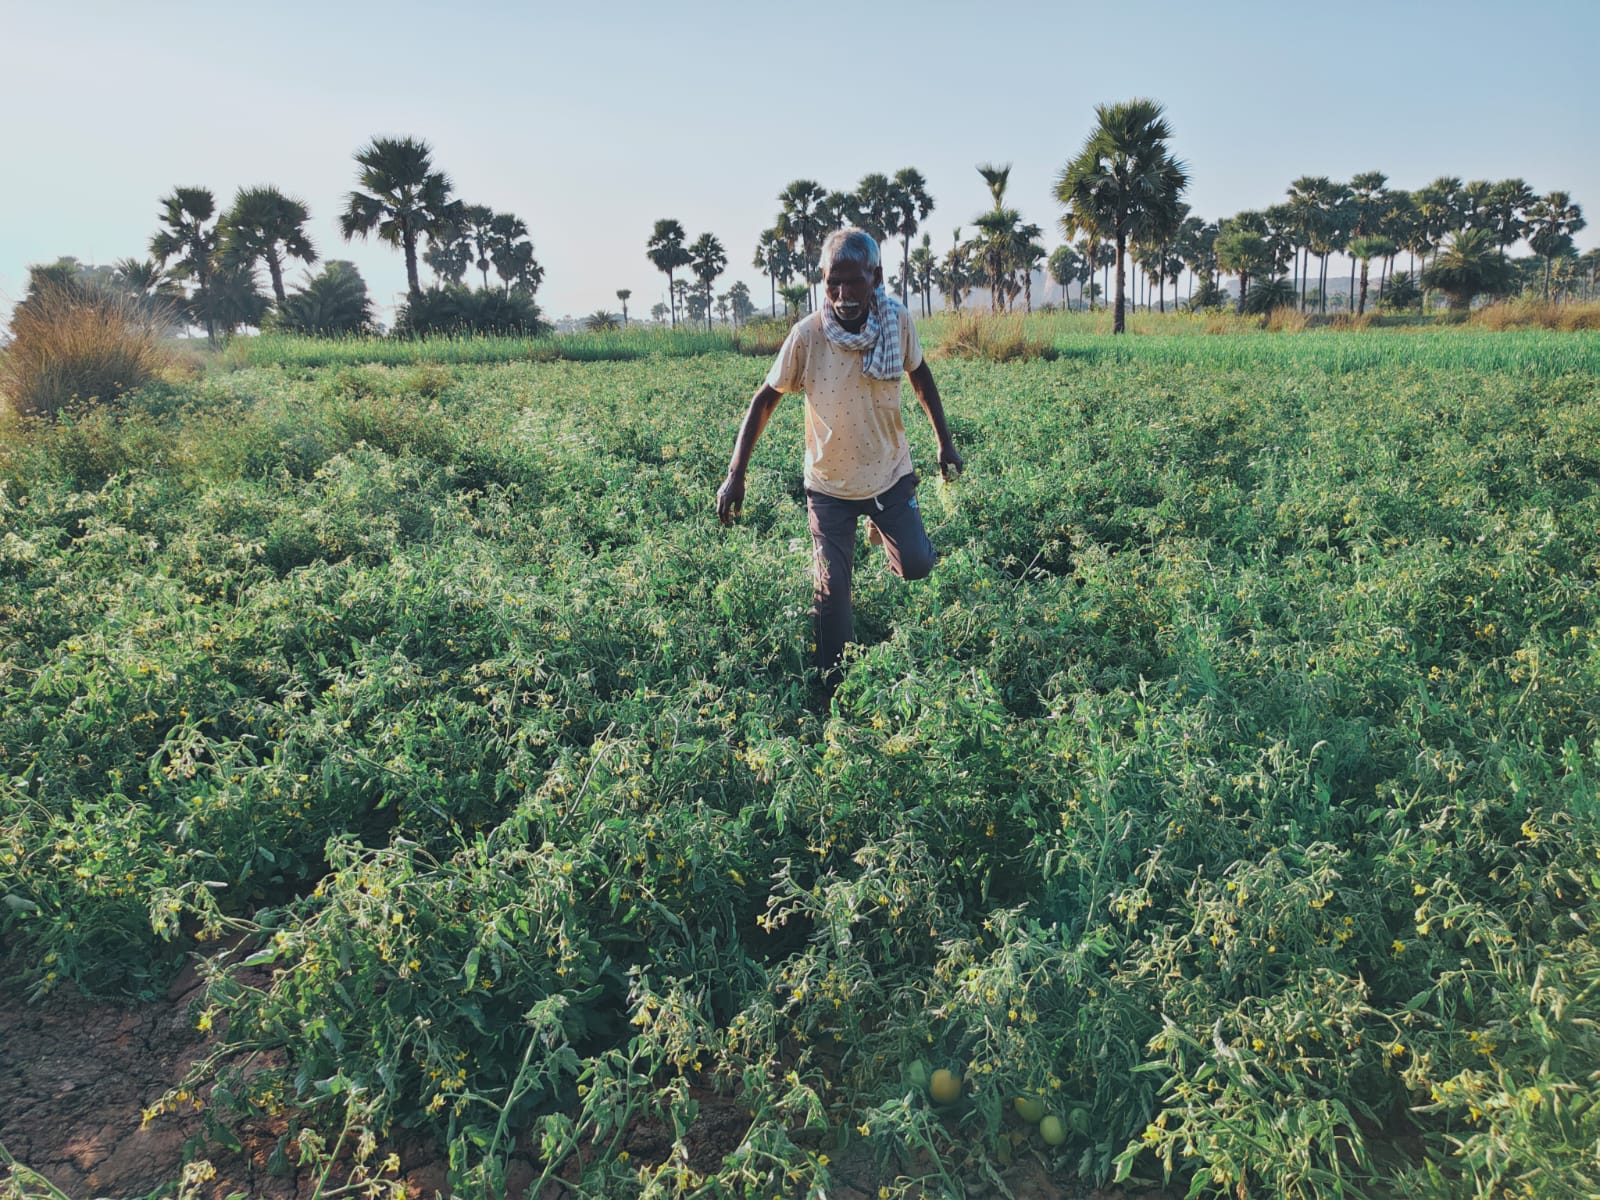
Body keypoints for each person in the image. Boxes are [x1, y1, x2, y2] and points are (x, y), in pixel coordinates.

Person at [716, 227, 963, 695]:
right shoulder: (808, 336)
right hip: (828, 486)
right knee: (832, 598)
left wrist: (944, 442)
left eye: (854, 281)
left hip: (889, 475)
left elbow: (921, 376)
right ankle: (836, 693)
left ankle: (883, 528)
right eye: (833, 282)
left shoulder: (897, 323)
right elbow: (764, 400)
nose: (843, 294)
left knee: (915, 565)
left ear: (877, 277)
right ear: (822, 280)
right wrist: (735, 474)